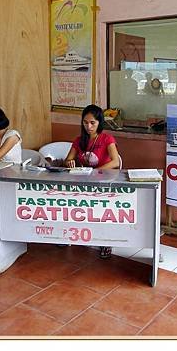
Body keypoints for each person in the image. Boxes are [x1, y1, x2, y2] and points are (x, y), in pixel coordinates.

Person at [65, 104, 120, 259]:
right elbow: (68, 158)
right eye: (85, 122)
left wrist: (97, 171)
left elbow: (115, 161)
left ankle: (105, 242)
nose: (88, 126)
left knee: (102, 210)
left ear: (99, 123)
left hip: (103, 181)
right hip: (84, 181)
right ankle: (69, 235)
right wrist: (69, 162)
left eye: (92, 123)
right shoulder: (79, 140)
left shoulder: (107, 139)